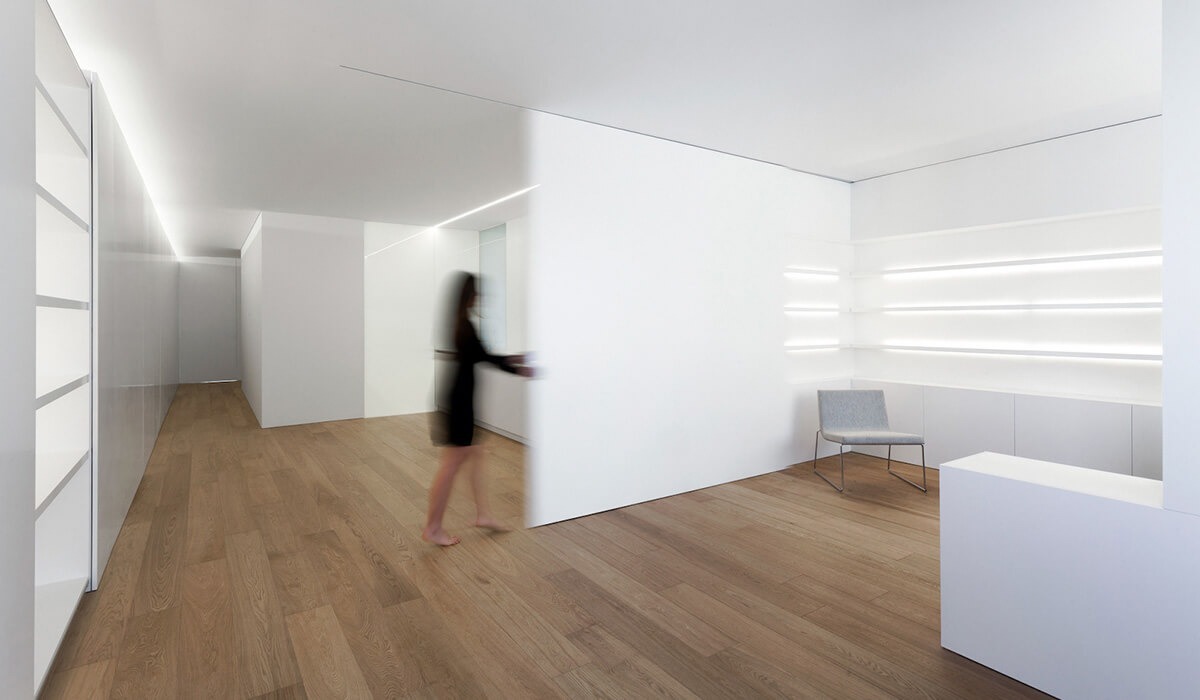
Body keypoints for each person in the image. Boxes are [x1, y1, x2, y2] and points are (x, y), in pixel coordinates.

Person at [423, 272, 532, 546]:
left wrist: (516, 360)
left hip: (459, 402)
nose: (479, 297)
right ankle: (433, 528)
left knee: (476, 454)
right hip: (459, 405)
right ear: (469, 295)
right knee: (451, 465)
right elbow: (485, 357)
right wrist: (519, 367)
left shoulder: (460, 324)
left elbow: (480, 356)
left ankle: (483, 514)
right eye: (477, 293)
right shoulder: (465, 327)